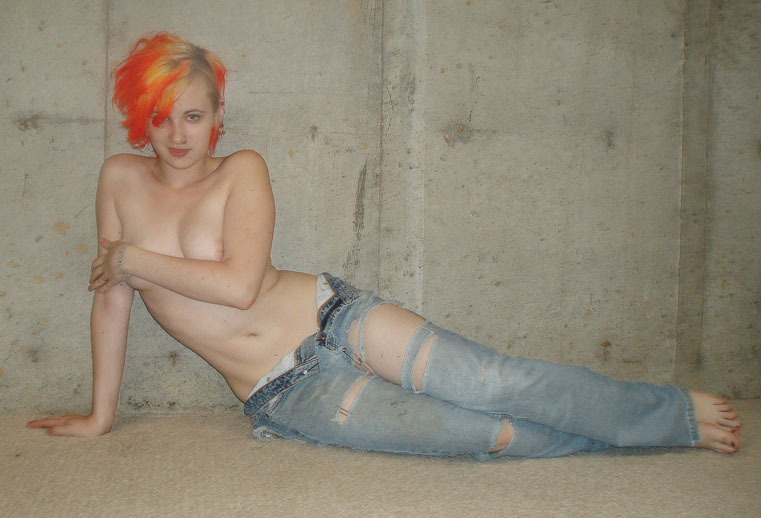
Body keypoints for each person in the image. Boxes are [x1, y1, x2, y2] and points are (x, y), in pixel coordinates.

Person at [27, 33, 742, 459]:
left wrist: (131, 259)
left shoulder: (243, 168)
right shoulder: (119, 179)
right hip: (287, 390)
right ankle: (623, 437)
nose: (177, 134)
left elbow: (240, 285)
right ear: (140, 118)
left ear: (219, 115)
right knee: (488, 435)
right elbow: (111, 304)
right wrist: (100, 416)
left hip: (334, 317)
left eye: (192, 115)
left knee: (494, 381)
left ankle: (671, 416)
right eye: (160, 117)